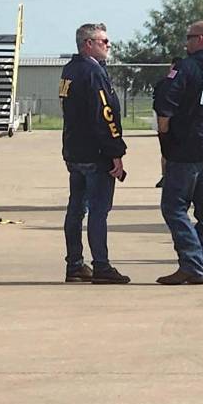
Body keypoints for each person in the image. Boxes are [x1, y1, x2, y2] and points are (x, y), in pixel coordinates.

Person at [153, 21, 203, 285]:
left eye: (188, 37)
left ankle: (192, 263)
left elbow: (165, 108)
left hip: (187, 150)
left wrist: (165, 141)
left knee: (173, 207)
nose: (186, 43)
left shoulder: (186, 68)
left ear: (201, 38)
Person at [59, 22, 131, 284]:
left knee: (76, 209)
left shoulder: (70, 69)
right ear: (88, 44)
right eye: (104, 41)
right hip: (94, 153)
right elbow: (105, 114)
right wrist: (116, 152)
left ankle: (75, 264)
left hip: (74, 151)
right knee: (99, 211)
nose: (108, 45)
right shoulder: (93, 72)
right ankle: (101, 265)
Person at [153, 57, 184, 189]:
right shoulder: (163, 83)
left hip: (179, 122)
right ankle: (165, 176)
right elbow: (157, 102)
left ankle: (175, 177)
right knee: (166, 151)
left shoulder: (185, 82)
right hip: (166, 120)